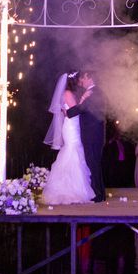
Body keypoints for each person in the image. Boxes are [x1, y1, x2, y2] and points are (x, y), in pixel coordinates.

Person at [42, 71, 95, 204]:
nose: (80, 82)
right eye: (78, 80)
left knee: (75, 152)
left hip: (73, 125)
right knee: (73, 151)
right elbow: (74, 111)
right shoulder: (67, 93)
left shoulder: (68, 93)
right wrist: (83, 99)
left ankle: (77, 188)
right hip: (72, 127)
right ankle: (72, 190)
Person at [66, 70, 106, 202]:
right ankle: (100, 193)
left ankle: (98, 194)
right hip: (93, 133)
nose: (80, 81)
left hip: (92, 134)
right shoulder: (93, 91)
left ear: (88, 77)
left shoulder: (94, 93)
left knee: (93, 162)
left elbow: (81, 109)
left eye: (82, 78)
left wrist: (68, 111)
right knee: (94, 163)